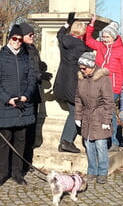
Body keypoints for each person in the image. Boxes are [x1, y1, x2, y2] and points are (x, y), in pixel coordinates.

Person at [0, 24, 36, 187]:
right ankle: (2, 174)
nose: (17, 42)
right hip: (7, 106)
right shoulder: (0, 58)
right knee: (5, 141)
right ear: (9, 39)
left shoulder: (26, 57)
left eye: (19, 39)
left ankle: (17, 173)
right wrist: (7, 99)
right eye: (14, 39)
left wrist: (26, 95)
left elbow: (31, 79)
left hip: (23, 106)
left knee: (21, 140)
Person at [85, 16, 123, 149]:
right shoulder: (100, 47)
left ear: (114, 37)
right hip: (99, 84)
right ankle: (101, 138)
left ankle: (114, 141)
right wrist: (91, 25)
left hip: (114, 87)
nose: (105, 39)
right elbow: (88, 40)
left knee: (108, 112)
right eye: (103, 37)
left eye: (107, 37)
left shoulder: (122, 51)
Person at [53, 12, 92, 153]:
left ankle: (67, 140)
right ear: (82, 32)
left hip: (61, 83)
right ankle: (66, 141)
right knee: (76, 112)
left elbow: (59, 33)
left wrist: (67, 23)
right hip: (73, 84)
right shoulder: (80, 47)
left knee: (74, 110)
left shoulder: (64, 41)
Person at [75, 51, 113, 184]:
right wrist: (77, 116)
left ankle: (103, 172)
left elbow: (109, 101)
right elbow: (78, 99)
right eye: (81, 68)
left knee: (101, 146)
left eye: (84, 68)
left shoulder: (103, 79)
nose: (82, 70)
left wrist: (106, 120)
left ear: (91, 66)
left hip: (100, 117)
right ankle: (92, 170)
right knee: (88, 144)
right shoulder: (81, 79)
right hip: (87, 117)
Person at [19, 22, 50, 174]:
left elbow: (35, 66)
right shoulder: (22, 50)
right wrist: (39, 74)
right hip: (26, 94)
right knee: (23, 131)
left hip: (35, 93)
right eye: (30, 35)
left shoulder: (32, 48)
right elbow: (27, 72)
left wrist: (41, 67)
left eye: (33, 34)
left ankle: (27, 161)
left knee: (31, 130)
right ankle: (21, 162)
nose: (33, 36)